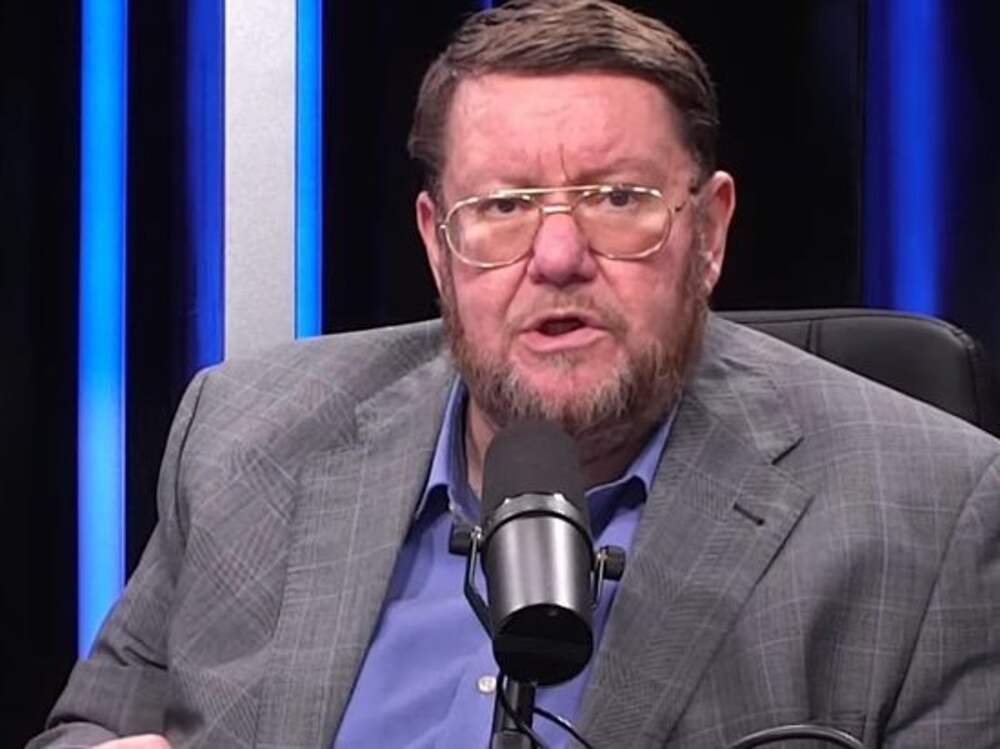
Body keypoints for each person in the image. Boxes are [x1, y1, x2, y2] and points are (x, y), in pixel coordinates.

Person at [31, 1, 1000, 747]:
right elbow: (90, 725)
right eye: (502, 207)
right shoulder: (245, 435)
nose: (558, 256)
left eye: (616, 198)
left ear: (709, 232)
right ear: (437, 244)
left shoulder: (932, 509)